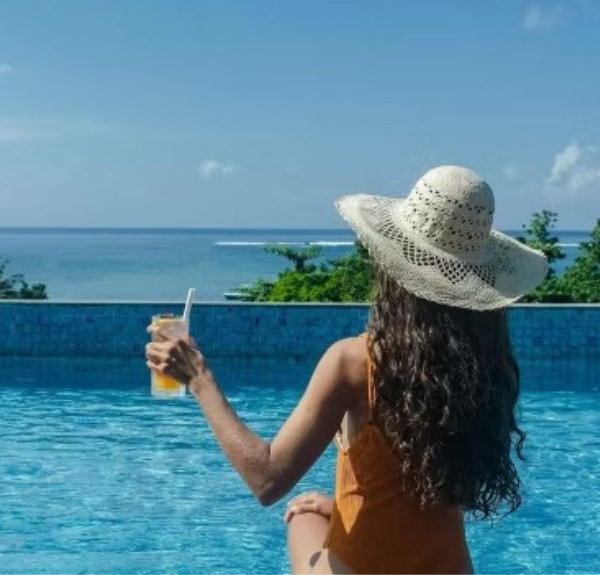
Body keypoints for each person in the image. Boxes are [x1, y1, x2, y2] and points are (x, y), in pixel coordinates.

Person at [146, 165, 547, 573]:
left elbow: (266, 479)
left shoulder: (356, 362)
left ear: (394, 263)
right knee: (317, 511)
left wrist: (199, 378)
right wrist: (341, 509)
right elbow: (422, 488)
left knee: (301, 516)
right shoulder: (485, 366)